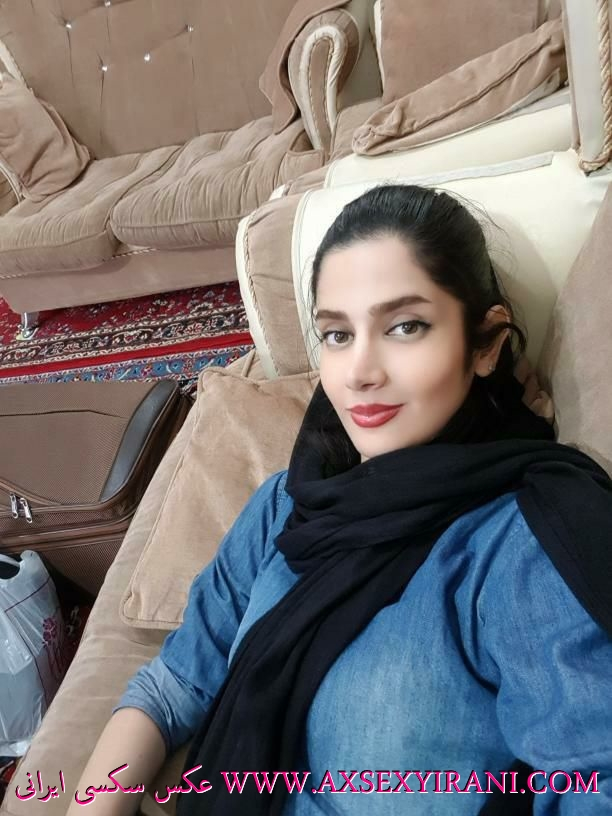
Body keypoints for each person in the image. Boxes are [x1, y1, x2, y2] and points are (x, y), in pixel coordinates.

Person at [67, 185, 612, 816]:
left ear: (485, 343)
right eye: (337, 334)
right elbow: (175, 684)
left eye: (405, 326)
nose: (359, 372)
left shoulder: (523, 547)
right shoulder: (285, 506)